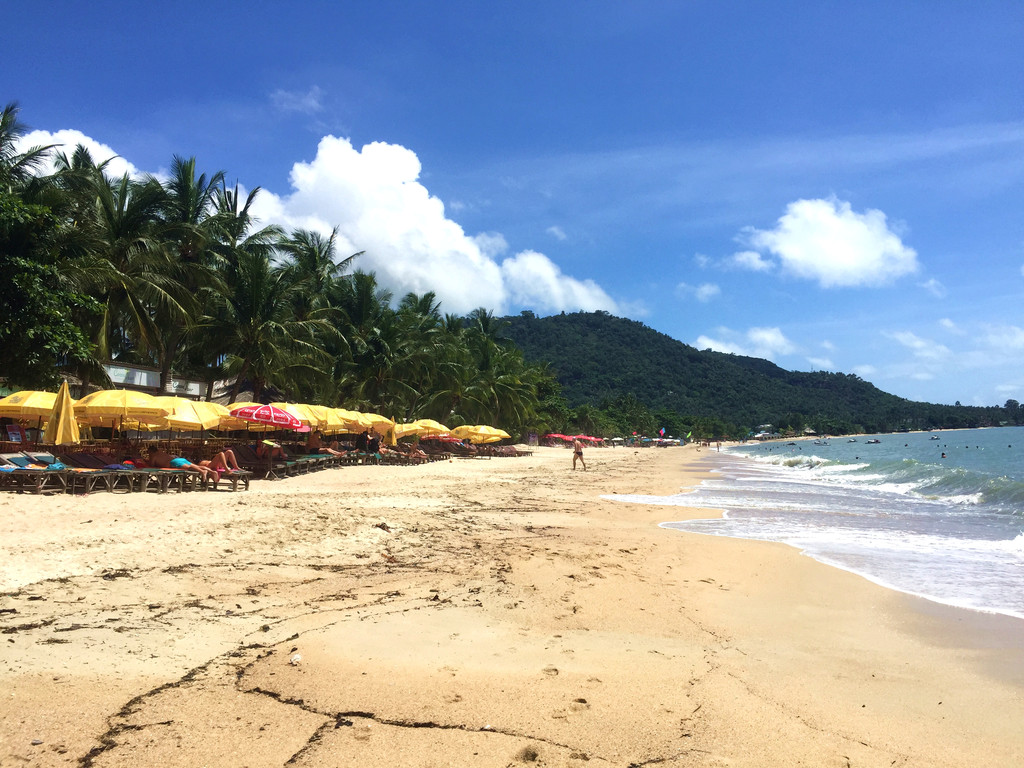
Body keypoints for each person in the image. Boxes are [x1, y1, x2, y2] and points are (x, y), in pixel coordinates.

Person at [146, 446, 218, 482]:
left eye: (148, 452)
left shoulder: (153, 456)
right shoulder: (161, 452)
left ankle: (203, 472)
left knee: (188, 467)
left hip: (174, 462)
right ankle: (211, 471)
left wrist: (148, 460)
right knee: (196, 466)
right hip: (179, 459)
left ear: (151, 451)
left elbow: (151, 465)